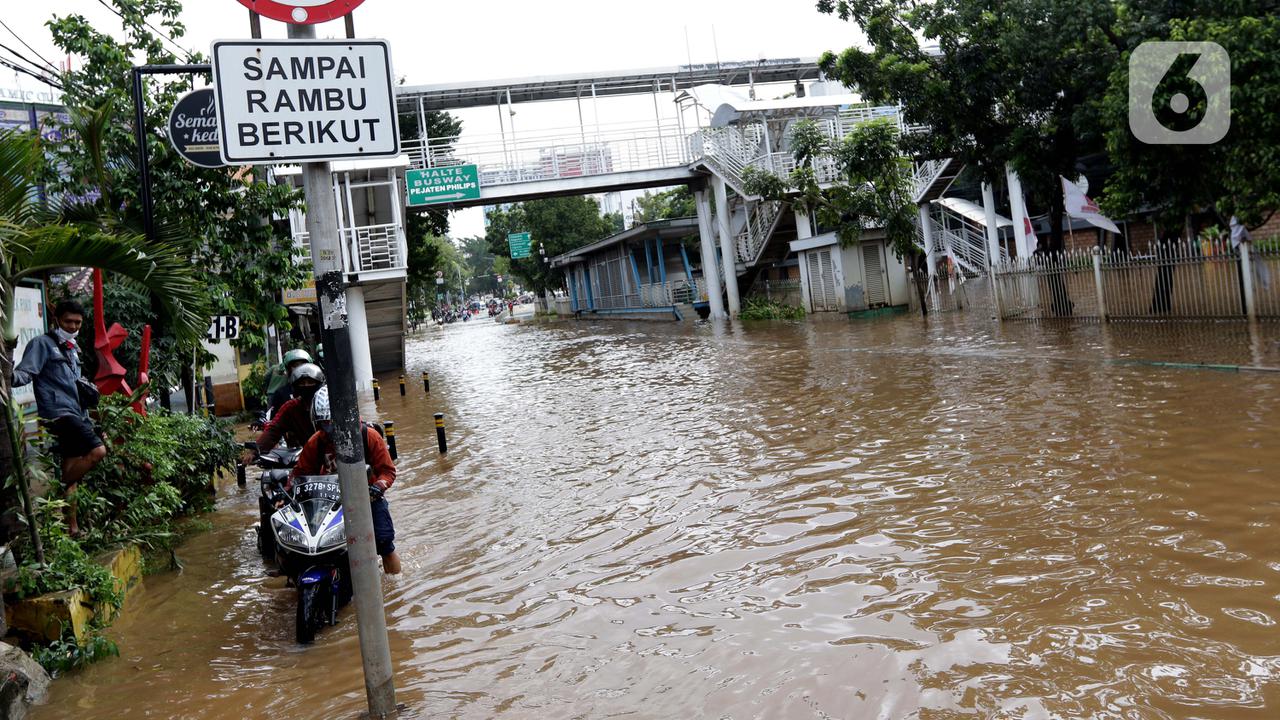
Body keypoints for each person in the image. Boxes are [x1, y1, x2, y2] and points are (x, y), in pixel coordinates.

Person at [11, 300, 106, 537]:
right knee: (98, 451)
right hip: (58, 413)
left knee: (73, 467)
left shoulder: (73, 348)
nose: (73, 326)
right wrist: (8, 376)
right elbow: (26, 372)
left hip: (76, 413)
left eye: (77, 323)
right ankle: (55, 489)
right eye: (68, 322)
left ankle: (72, 528)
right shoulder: (42, 344)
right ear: (57, 320)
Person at [286, 387, 401, 574]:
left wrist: (378, 487)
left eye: (333, 423)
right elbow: (300, 473)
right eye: (324, 425)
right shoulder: (316, 442)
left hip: (368, 499)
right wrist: (289, 493)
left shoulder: (368, 436)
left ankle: (397, 587)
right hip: (329, 502)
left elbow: (387, 471)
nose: (329, 429)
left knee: (385, 544)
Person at [244, 362, 325, 465]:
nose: (306, 386)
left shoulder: (332, 403)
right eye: (302, 383)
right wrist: (255, 451)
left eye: (310, 382)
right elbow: (273, 430)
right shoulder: (291, 407)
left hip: (334, 458)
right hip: (306, 458)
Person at [265, 349, 314, 415]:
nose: (300, 368)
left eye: (303, 364)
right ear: (289, 369)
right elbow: (275, 420)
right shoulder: (282, 393)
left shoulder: (317, 390)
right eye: (296, 365)